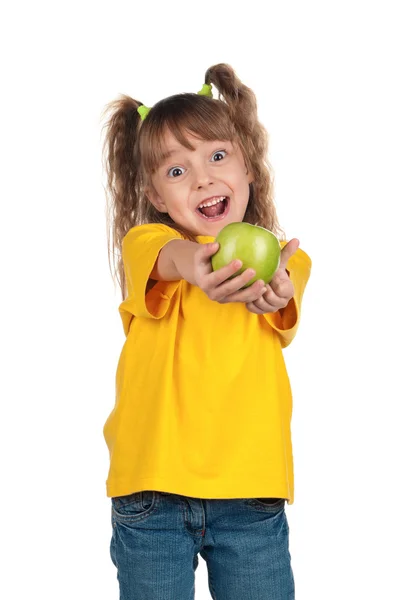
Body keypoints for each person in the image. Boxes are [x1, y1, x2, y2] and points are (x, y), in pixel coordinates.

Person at [101, 63, 311, 600]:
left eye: (218, 157)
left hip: (252, 497)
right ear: (154, 195)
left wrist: (276, 290)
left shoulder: (285, 260)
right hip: (153, 494)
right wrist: (198, 266)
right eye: (177, 171)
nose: (202, 178)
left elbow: (283, 295)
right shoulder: (146, 246)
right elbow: (175, 259)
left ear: (250, 170)